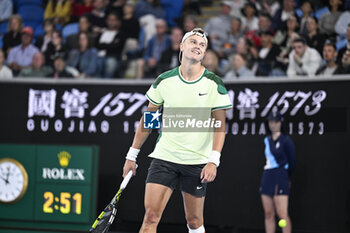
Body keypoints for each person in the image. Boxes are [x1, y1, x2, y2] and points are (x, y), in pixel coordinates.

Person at [122, 28, 232, 233]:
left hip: (197, 162)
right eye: (193, 42)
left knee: (194, 222)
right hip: (164, 158)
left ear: (204, 53)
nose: (197, 46)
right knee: (150, 218)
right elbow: (149, 121)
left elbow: (219, 126)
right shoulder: (164, 80)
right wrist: (132, 155)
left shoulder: (214, 83)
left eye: (202, 45)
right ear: (182, 46)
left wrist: (213, 160)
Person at [260, 110, 296, 233]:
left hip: (281, 176)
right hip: (267, 176)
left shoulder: (286, 141)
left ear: (280, 123)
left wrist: (286, 178)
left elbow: (292, 162)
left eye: (276, 121)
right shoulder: (266, 140)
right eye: (270, 121)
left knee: (282, 214)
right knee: (268, 213)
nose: (273, 124)